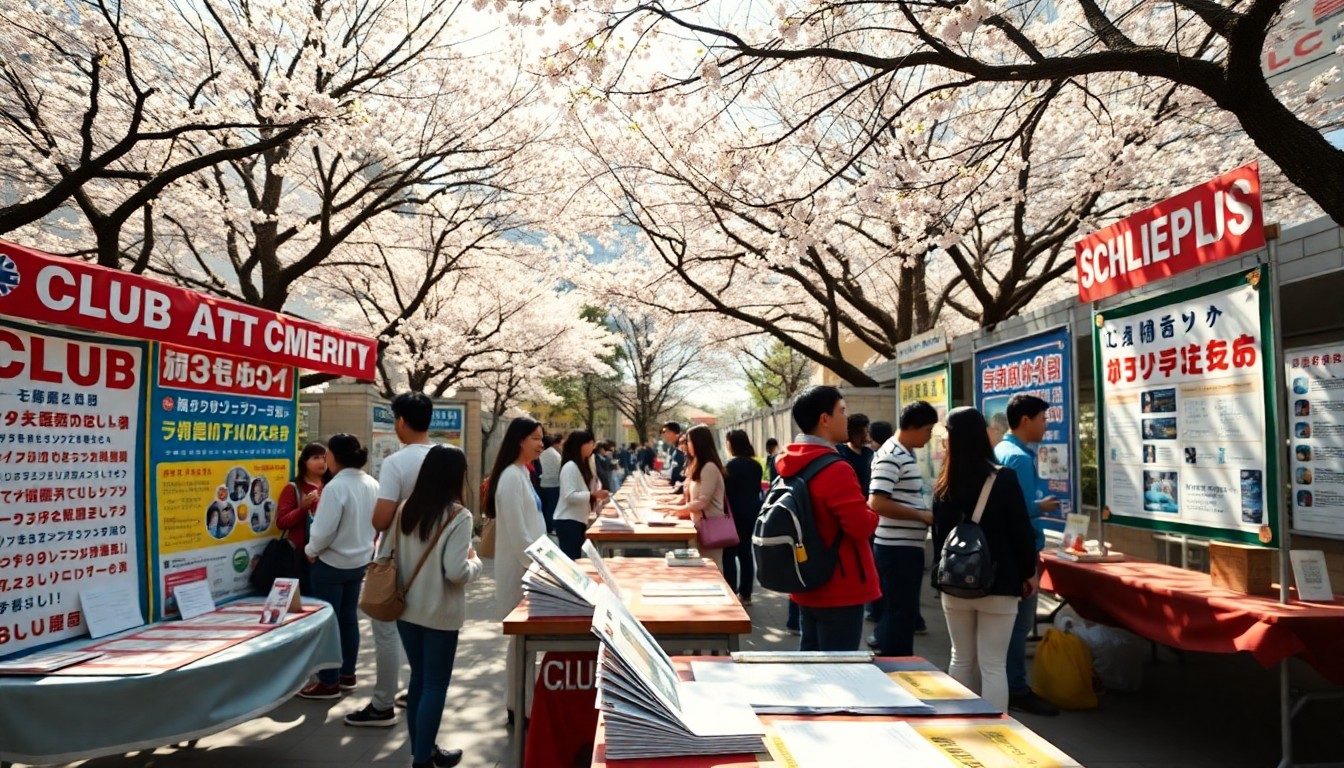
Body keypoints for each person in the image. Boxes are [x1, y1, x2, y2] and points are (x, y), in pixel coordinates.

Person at [931, 407, 1037, 711]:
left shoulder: (944, 483)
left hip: (954, 583)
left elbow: (940, 538)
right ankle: (995, 737)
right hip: (1000, 581)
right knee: (993, 665)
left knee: (960, 658)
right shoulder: (1003, 479)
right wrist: (1027, 572)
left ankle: (959, 727)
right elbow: (1021, 532)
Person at [392, 445, 482, 768]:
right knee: (434, 685)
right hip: (440, 613)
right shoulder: (459, 516)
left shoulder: (405, 509)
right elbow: (456, 572)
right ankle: (422, 758)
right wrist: (476, 563)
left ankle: (423, 750)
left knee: (419, 680)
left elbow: (388, 554)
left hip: (405, 609)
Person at [775, 386, 880, 651]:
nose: (847, 417)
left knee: (812, 669)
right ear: (824, 419)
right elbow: (859, 526)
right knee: (839, 673)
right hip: (840, 586)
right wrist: (873, 511)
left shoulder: (790, 464)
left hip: (806, 580)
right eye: (842, 411)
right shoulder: (835, 469)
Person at [993, 394, 1061, 716]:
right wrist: (1041, 507)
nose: (1046, 426)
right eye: (1043, 419)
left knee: (1007, 626)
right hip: (1021, 551)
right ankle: (1016, 688)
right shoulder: (1018, 458)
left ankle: (1006, 685)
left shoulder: (1001, 451)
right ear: (1025, 420)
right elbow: (1017, 512)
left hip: (1004, 550)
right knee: (1020, 626)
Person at [299, 434, 379, 700]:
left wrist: (310, 551)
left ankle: (328, 681)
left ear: (335, 456)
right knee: (348, 618)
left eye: (327, 453)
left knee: (328, 622)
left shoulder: (335, 487)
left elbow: (323, 530)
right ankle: (347, 673)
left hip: (331, 563)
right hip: (359, 561)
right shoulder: (371, 483)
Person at [484, 417, 547, 726]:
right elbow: (520, 535)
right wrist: (544, 566)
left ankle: (521, 703)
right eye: (535, 438)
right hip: (520, 573)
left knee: (522, 645)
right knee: (519, 644)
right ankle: (517, 706)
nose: (541, 444)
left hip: (530, 569)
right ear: (520, 440)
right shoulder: (510, 477)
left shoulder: (521, 473)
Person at [868, 401, 939, 657]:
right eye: (928, 430)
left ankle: (889, 655)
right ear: (912, 426)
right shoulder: (892, 455)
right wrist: (920, 515)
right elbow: (876, 502)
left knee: (899, 610)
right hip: (897, 548)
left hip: (903, 546)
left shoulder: (901, 452)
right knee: (901, 612)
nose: (930, 436)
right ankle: (898, 665)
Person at [670, 424, 729, 569]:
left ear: (698, 443)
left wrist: (679, 510)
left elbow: (703, 501)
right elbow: (690, 495)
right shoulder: (698, 465)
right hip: (699, 525)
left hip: (710, 526)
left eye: (688, 441)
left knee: (711, 568)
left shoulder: (709, 467)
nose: (686, 445)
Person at [276, 442, 327, 590]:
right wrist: (303, 508)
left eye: (324, 458)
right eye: (316, 457)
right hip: (300, 555)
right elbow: (281, 522)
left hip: (326, 554)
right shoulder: (293, 488)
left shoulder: (331, 486)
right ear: (304, 461)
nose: (322, 462)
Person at [722, 429, 764, 605]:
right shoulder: (756, 465)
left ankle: (731, 591)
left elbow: (726, 492)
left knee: (729, 554)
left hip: (733, 514)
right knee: (746, 553)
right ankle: (746, 593)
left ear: (732, 444)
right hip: (752, 511)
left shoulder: (730, 466)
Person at [556, 430, 610, 559]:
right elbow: (569, 496)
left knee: (576, 557)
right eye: (590, 443)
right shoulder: (570, 467)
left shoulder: (585, 464)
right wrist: (593, 495)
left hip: (578, 519)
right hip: (568, 520)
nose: (593, 446)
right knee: (571, 559)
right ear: (580, 445)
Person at [836, 413, 874, 496]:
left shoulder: (869, 453)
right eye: (859, 433)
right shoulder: (840, 452)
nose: (864, 436)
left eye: (865, 432)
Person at [538, 434, 563, 533]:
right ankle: (551, 526)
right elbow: (559, 469)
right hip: (554, 484)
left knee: (546, 507)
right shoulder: (555, 454)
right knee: (552, 507)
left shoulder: (542, 454)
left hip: (543, 483)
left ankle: (547, 526)